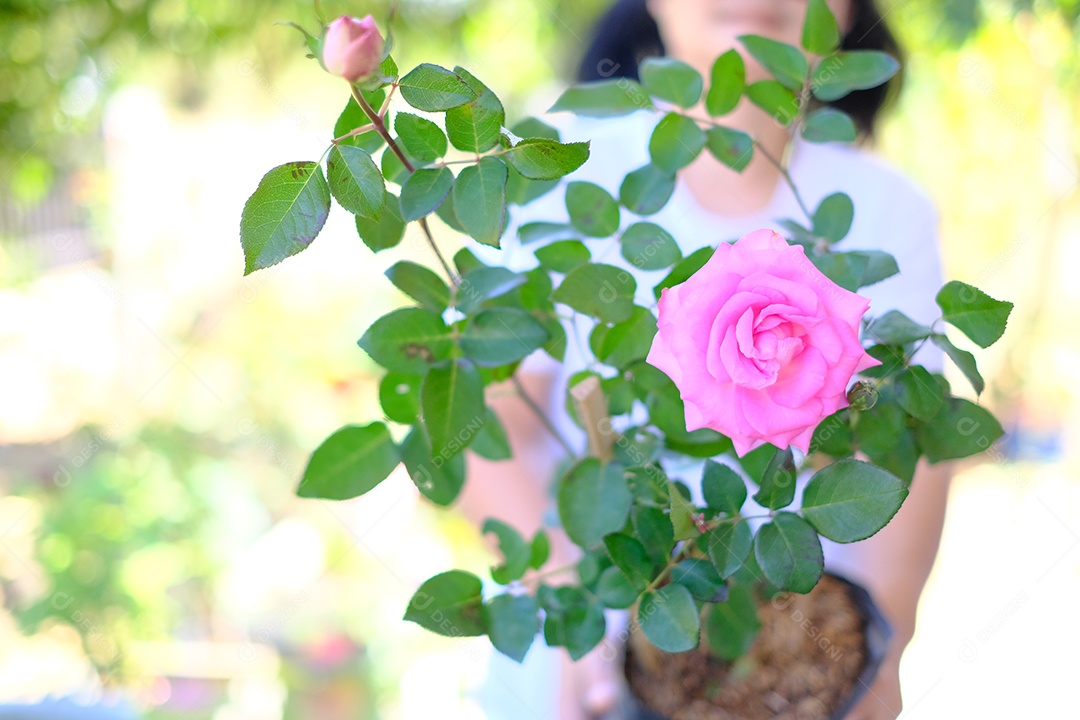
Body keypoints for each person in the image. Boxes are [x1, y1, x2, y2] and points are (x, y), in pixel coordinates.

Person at [459, 1, 952, 718]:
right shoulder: (557, 165)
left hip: (802, 651)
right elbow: (486, 426)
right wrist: (573, 597)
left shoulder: (884, 205)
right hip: (583, 643)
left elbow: (917, 446)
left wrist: (885, 645)